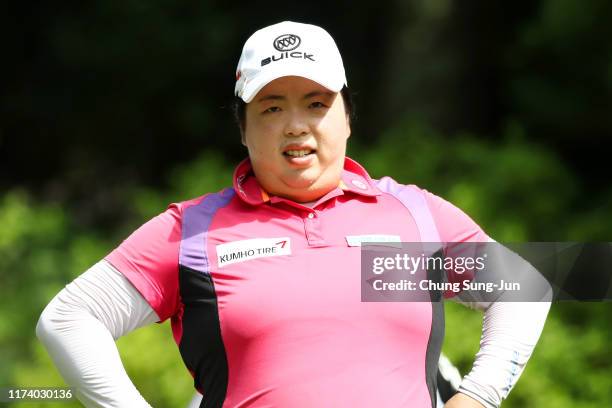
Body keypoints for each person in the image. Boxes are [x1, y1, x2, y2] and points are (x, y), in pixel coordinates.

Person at [36, 21, 551, 407]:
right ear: (242, 127)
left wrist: (479, 394)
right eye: (272, 107)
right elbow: (69, 319)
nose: (295, 126)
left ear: (348, 116)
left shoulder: (413, 215)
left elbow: (526, 288)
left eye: (316, 103)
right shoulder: (193, 229)